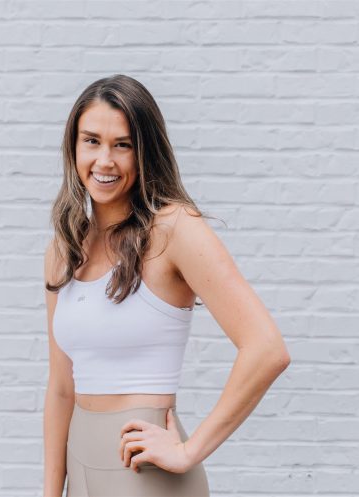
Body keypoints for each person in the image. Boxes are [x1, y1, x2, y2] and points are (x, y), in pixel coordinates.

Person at [43, 74, 291, 497]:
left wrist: (189, 451)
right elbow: (62, 386)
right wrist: (51, 492)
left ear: (145, 152)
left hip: (143, 473)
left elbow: (267, 349)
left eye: (123, 144)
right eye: (91, 141)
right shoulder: (65, 248)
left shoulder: (174, 229)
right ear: (73, 146)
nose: (104, 160)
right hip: (79, 467)